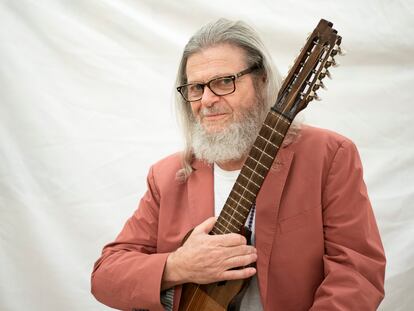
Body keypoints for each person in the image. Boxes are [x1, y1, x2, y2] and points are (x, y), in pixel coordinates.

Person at [91, 18, 386, 311]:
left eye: (223, 82)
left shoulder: (328, 155)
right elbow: (106, 276)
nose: (206, 100)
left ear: (262, 80)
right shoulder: (168, 176)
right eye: (195, 88)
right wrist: (178, 266)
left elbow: (357, 273)